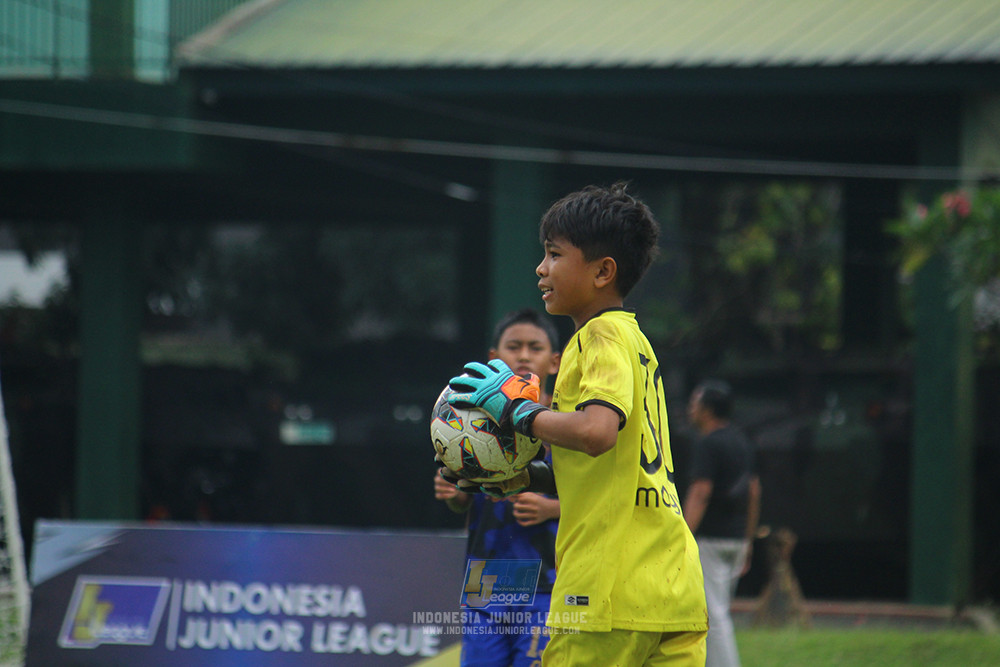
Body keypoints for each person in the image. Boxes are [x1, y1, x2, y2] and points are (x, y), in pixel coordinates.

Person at [443, 183, 708, 666]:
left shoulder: (598, 336)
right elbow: (618, 462)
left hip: (604, 593)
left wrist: (513, 412)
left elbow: (595, 433)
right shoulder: (636, 340)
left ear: (603, 271)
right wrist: (523, 477)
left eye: (553, 254)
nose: (541, 268)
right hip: (674, 588)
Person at [434, 308, 562, 667]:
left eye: (534, 347)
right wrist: (457, 494)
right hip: (487, 579)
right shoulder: (468, 423)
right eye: (513, 346)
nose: (523, 355)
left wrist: (552, 507)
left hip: (548, 580)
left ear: (554, 361)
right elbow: (463, 503)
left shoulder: (565, 424)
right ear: (493, 358)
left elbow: (599, 496)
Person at [683, 380, 762, 667]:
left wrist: (682, 535)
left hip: (711, 541)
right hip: (737, 540)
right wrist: (749, 539)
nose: (690, 408)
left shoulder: (708, 443)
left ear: (707, 409)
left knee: (714, 616)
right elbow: (754, 490)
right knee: (720, 610)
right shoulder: (742, 440)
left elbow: (701, 491)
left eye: (694, 403)